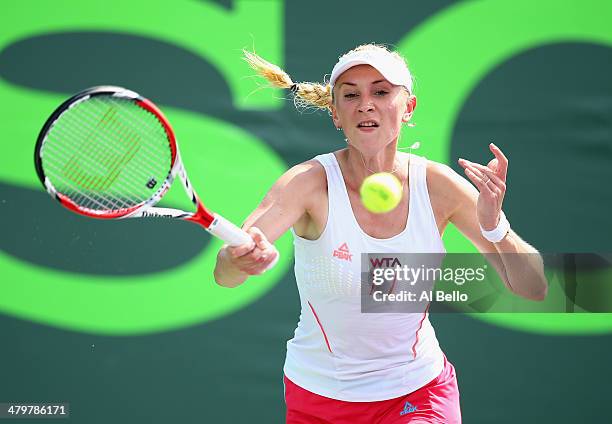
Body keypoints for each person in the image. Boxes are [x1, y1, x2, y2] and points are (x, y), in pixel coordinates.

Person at [214, 44, 548, 424]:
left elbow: (534, 288)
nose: (366, 104)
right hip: (320, 396)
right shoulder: (307, 184)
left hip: (419, 392)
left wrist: (496, 227)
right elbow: (226, 275)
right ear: (336, 114)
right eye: (351, 94)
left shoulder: (439, 186)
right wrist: (236, 260)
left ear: (408, 108)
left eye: (381, 91)